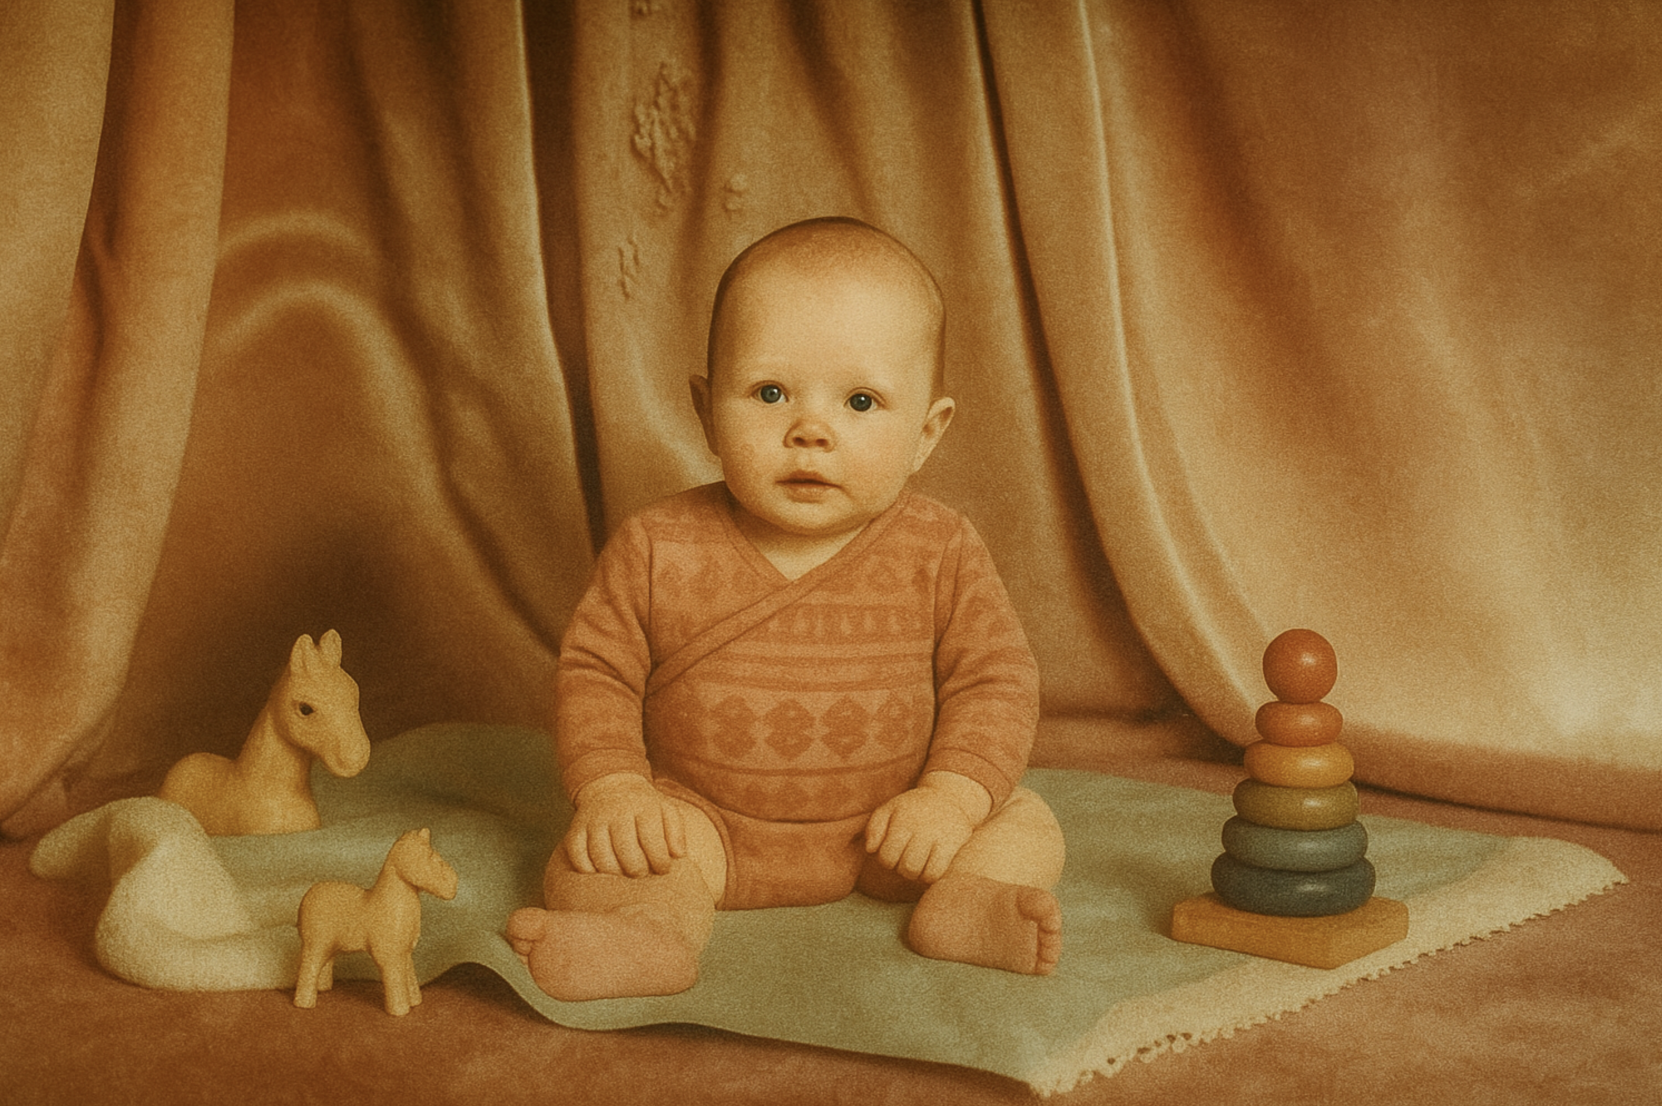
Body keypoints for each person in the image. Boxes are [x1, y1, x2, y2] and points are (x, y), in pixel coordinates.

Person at [506, 217, 1065, 1001]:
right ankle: (647, 932)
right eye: (769, 393)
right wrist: (615, 792)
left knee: (1025, 819)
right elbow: (596, 674)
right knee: (593, 854)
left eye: (862, 402)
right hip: (706, 826)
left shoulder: (943, 550)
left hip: (897, 831)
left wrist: (950, 798)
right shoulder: (658, 546)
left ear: (926, 433)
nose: (810, 430)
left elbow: (995, 683)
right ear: (705, 410)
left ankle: (965, 904)